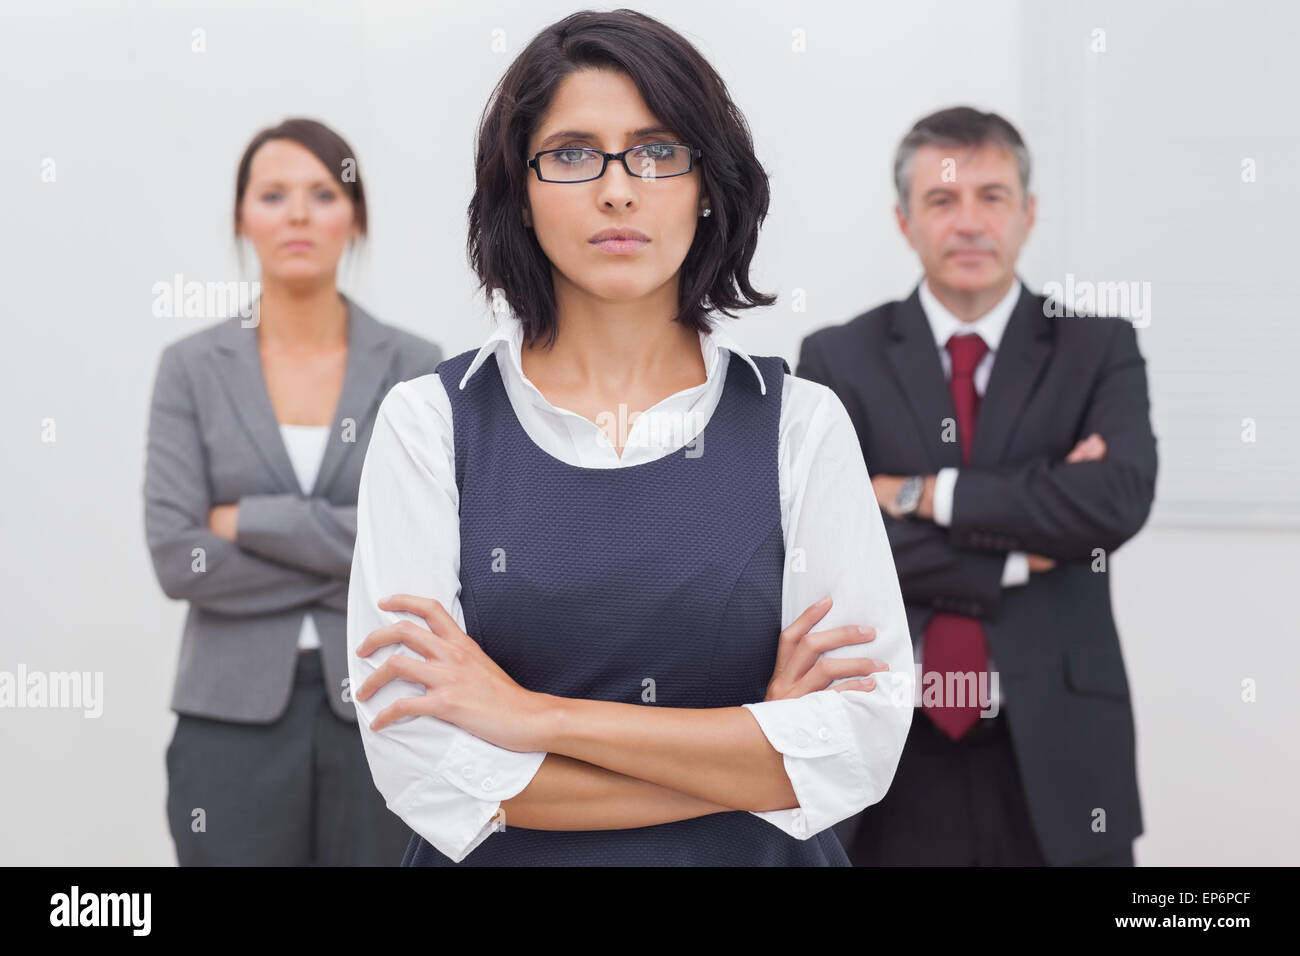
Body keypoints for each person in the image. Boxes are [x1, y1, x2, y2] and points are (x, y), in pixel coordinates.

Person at [346, 9, 915, 866]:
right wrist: (754, 754)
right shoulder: (429, 422)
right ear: (520, 191)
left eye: (657, 151)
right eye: (574, 153)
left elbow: (860, 744)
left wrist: (538, 719)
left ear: (708, 185)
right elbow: (425, 768)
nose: (618, 188)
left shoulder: (800, 423)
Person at [798, 106, 1156, 866]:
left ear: (1027, 214)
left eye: (991, 196)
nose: (968, 222)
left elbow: (1113, 500)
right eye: (942, 199)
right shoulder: (837, 358)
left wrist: (918, 494)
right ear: (904, 221)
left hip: (1058, 757)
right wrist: (1022, 550)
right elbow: (822, 545)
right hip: (891, 759)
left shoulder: (1099, 347)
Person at [144, 118, 442, 865]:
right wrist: (347, 551)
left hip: (383, 710)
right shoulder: (190, 368)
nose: (299, 215)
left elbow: (417, 554)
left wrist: (246, 518)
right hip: (229, 720)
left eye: (323, 192)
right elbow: (181, 559)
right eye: (274, 195)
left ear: (357, 216)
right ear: (243, 217)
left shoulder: (415, 364)